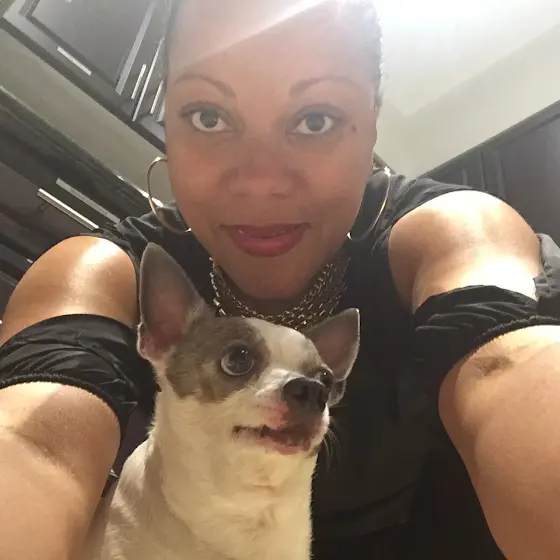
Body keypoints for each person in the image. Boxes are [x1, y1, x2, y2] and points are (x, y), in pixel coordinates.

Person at [1, 0, 560, 558]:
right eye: (209, 116)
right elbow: (36, 442)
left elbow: (508, 364)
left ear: (371, 125)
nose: (261, 181)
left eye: (315, 120)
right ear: (166, 117)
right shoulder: (103, 269)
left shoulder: (448, 229)